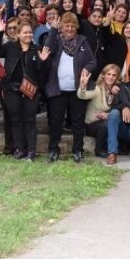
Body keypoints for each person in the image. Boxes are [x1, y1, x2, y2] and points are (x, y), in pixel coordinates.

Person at [39, 12, 97, 162]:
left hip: (77, 90)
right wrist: (53, 30)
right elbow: (46, 49)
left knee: (78, 122)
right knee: (56, 121)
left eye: (72, 26)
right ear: (61, 27)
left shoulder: (82, 41)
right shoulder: (55, 40)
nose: (70, 28)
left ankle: (78, 150)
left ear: (76, 27)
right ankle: (53, 150)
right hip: (57, 90)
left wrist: (87, 69)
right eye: (66, 25)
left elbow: (92, 61)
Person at [0, 20, 43, 161]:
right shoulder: (10, 47)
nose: (28, 34)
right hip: (12, 89)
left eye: (30, 32)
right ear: (18, 34)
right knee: (16, 121)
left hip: (31, 91)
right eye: (25, 32)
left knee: (29, 121)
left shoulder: (37, 49)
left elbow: (42, 72)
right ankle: (20, 149)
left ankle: (31, 151)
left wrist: (43, 61)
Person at [78, 64, 121, 158]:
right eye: (108, 74)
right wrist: (82, 87)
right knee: (106, 125)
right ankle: (100, 150)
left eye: (114, 75)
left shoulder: (117, 90)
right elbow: (82, 96)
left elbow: (121, 107)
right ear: (103, 75)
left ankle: (120, 147)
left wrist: (109, 114)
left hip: (106, 121)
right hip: (92, 124)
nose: (111, 77)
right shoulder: (97, 88)